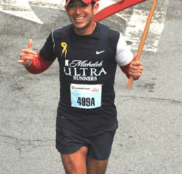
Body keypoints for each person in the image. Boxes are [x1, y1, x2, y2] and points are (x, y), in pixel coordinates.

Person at [18, 0, 143, 173]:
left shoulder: (113, 39)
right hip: (70, 123)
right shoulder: (58, 37)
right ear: (66, 9)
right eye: (72, 6)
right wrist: (29, 62)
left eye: (83, 5)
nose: (77, 12)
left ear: (95, 7)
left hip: (102, 123)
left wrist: (134, 72)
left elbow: (130, 70)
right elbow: (39, 65)